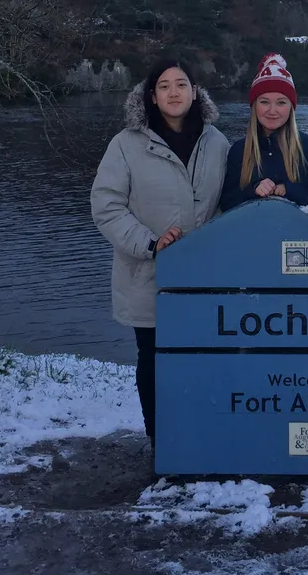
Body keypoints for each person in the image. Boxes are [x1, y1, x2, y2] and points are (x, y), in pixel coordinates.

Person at [90, 58, 229, 458]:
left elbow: (225, 204)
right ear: (152, 96)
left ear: (194, 92)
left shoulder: (217, 143)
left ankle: (204, 438)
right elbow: (106, 207)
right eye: (164, 86)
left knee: (203, 361)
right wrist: (151, 244)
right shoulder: (125, 145)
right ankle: (162, 445)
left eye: (181, 84)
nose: (173, 92)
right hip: (148, 276)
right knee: (154, 361)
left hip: (203, 279)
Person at [220, 53, 308, 212]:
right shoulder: (239, 151)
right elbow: (227, 203)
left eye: (281, 103)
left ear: (291, 107)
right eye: (264, 102)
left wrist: (290, 191)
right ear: (254, 106)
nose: (272, 111)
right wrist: (253, 190)